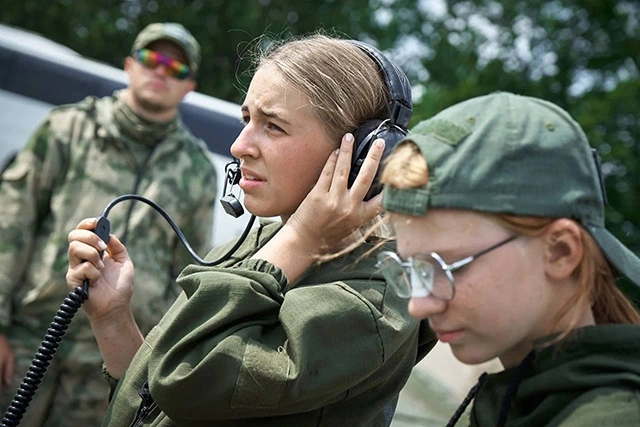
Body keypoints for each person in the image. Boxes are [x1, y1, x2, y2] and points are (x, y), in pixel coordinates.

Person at [64, 34, 436, 426]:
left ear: (361, 155)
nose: (240, 145)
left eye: (273, 126)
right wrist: (112, 318)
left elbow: (188, 380)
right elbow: (155, 403)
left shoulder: (373, 300)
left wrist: (301, 239)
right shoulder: (254, 249)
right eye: (247, 120)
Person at [378, 91, 640, 426]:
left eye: (447, 266)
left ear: (561, 251)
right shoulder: (517, 400)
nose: (418, 305)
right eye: (413, 268)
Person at [0, 22, 217, 426]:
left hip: (108, 362)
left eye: (177, 68)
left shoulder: (198, 170)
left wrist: (150, 369)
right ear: (130, 65)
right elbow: (11, 222)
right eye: (153, 59)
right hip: (29, 338)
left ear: (189, 86)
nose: (162, 72)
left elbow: (188, 277)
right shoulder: (68, 128)